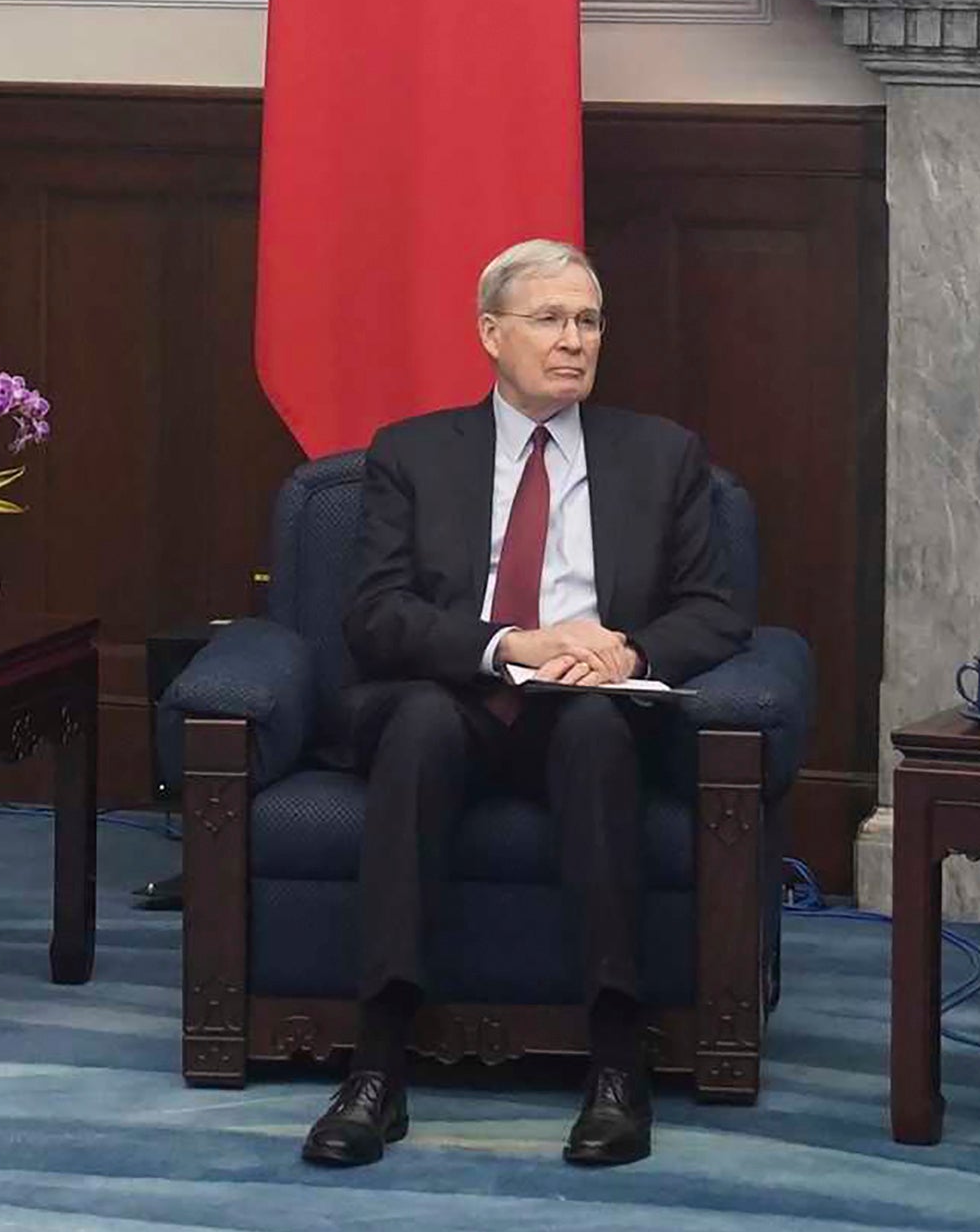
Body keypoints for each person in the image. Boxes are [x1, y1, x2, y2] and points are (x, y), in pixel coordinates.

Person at [301, 240, 747, 1176]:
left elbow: (715, 610)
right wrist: (510, 642)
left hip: (590, 704)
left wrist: (629, 648)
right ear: (491, 334)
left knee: (593, 732)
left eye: (587, 321)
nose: (574, 341)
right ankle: (376, 1064)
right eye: (549, 320)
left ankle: (618, 1065)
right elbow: (374, 613)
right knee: (419, 724)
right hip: (457, 692)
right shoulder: (412, 452)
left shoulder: (663, 454)